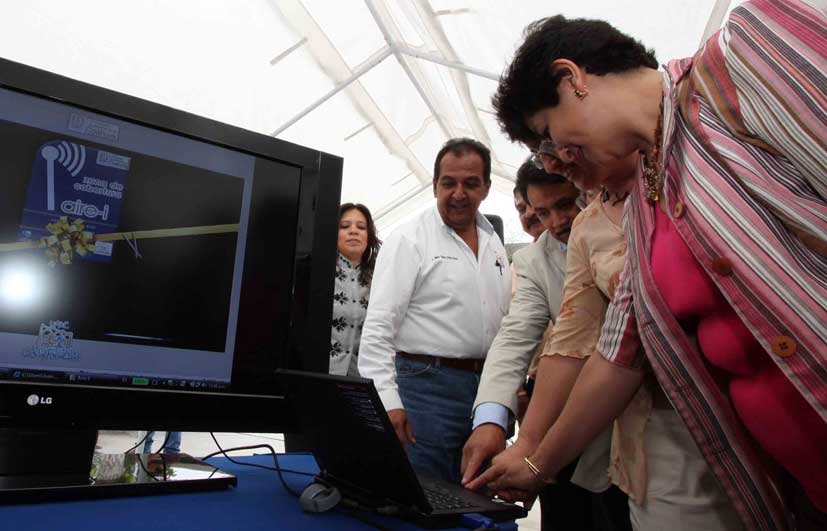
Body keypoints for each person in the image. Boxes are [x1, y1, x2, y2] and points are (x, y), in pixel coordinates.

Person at [478, 1, 827, 528]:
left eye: (551, 136)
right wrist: (536, 461)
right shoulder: (647, 198)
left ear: (570, 78)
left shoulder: (742, 55)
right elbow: (619, 349)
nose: (561, 161)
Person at [466, 158, 627, 530]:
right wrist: (490, 420)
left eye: (566, 204)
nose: (557, 221)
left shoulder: (629, 230)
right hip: (575, 418)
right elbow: (515, 338)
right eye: (543, 211)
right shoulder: (533, 260)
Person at [358, 137, 511, 483]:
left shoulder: (493, 243)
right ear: (434, 186)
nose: (459, 193)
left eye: (471, 183)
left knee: (477, 493)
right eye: (449, 183)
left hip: (485, 391)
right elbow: (379, 329)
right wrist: (388, 402)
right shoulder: (409, 239)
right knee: (429, 494)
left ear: (486, 187)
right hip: (425, 389)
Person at [329, 203, 381, 376]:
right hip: (319, 373)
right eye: (344, 226)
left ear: (369, 236)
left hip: (360, 378)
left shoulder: (380, 279)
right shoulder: (316, 273)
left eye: (361, 227)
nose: (353, 231)